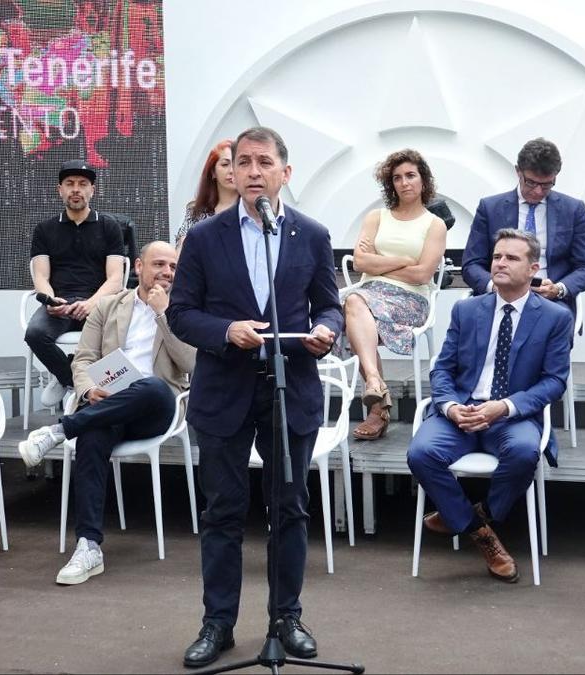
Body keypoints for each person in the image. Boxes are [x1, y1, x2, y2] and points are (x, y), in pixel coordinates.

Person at [167, 126, 343, 668]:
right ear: (233, 172)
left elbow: (330, 305)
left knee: (288, 509)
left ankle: (285, 618)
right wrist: (225, 332)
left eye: (264, 162)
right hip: (224, 391)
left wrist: (327, 331)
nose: (253, 171)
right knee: (222, 510)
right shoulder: (203, 237)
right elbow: (181, 314)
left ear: (285, 173)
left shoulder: (311, 235)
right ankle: (217, 624)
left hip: (290, 389)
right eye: (243, 162)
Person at [16, 241, 196, 585]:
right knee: (93, 435)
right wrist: (86, 389)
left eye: (173, 267)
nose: (167, 273)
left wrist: (164, 314)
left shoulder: (184, 310)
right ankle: (88, 546)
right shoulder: (109, 307)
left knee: (152, 386)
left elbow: (193, 365)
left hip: (157, 409)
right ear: (138, 267)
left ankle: (58, 431)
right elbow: (83, 359)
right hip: (107, 404)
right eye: (159, 264)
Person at [408, 229, 571, 584]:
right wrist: (450, 406)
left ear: (533, 268)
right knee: (421, 452)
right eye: (497, 256)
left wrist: (506, 407)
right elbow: (443, 368)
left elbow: (554, 381)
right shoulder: (467, 310)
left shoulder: (555, 317)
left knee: (526, 451)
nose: (500, 263)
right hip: (462, 413)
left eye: (511, 258)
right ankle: (482, 535)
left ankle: (470, 515)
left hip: (511, 417)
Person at [342, 149, 446, 440]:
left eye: (410, 175)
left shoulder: (434, 224)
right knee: (355, 303)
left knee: (354, 306)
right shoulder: (376, 217)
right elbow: (361, 262)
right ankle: (375, 384)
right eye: (397, 178)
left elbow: (422, 275)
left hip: (411, 299)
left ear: (423, 180)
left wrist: (381, 262)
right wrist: (404, 261)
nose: (404, 182)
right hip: (368, 294)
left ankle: (377, 404)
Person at [26, 160, 125, 408]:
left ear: (93, 190)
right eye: (70, 184)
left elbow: (115, 277)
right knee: (35, 334)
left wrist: (92, 303)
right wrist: (50, 300)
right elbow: (41, 277)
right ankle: (71, 379)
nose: (76, 189)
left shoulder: (109, 226)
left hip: (99, 303)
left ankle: (114, 396)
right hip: (61, 303)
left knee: (122, 337)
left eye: (82, 184)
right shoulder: (44, 229)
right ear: (60, 190)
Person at [461, 138, 585, 314]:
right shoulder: (490, 208)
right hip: (498, 296)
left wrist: (559, 289)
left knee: (557, 322)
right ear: (518, 171)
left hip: (551, 301)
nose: (538, 191)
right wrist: (494, 286)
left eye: (547, 184)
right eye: (531, 182)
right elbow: (471, 264)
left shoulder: (573, 210)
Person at [175, 139, 235, 252]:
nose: (231, 170)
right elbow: (181, 251)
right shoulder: (196, 213)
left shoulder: (252, 211)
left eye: (237, 164)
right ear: (213, 172)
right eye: (225, 164)